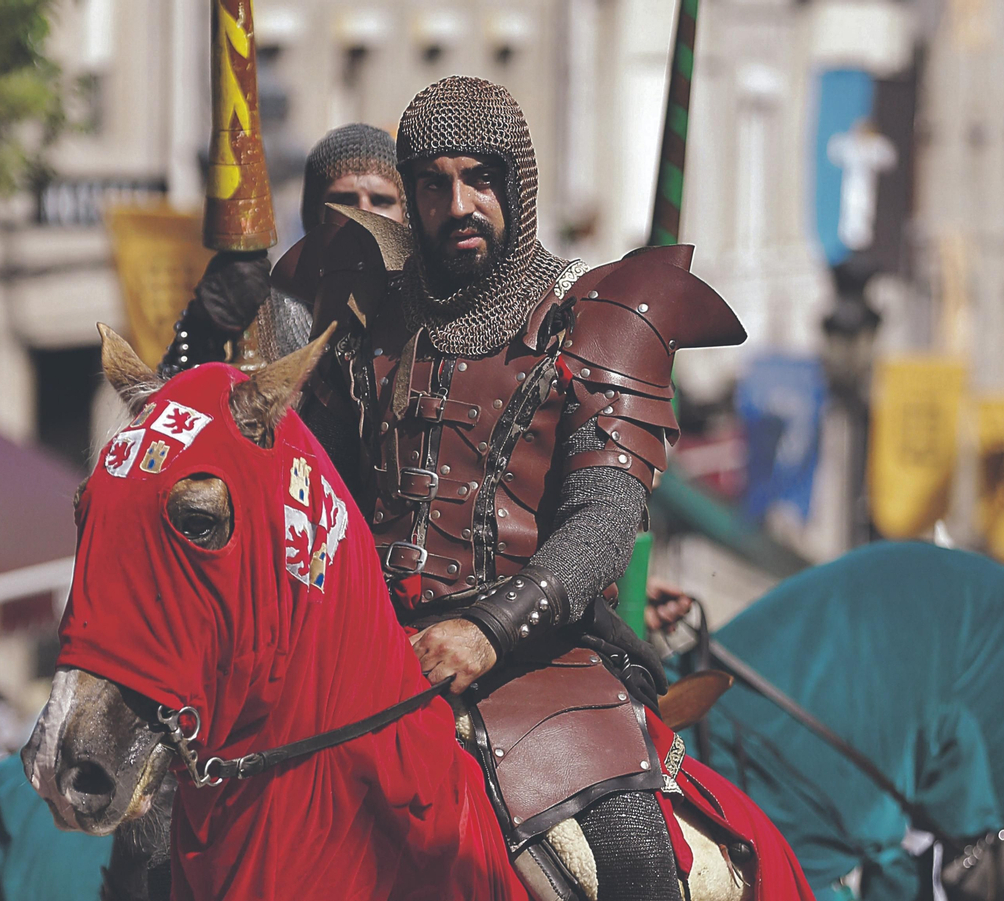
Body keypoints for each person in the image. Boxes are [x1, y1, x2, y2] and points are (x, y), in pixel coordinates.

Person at [257, 76, 805, 899]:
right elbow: (315, 486)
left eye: (480, 179)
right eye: (435, 184)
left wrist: (487, 628)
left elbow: (604, 518)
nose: (459, 204)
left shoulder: (600, 320)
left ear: (517, 185)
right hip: (366, 648)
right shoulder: (363, 311)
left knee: (629, 857)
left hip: (544, 662)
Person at [158, 123, 406, 378]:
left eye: (381, 201)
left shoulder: (433, 316)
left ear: (406, 216)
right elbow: (172, 409)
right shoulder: (269, 321)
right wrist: (204, 331)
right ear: (315, 214)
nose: (362, 215)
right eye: (344, 201)